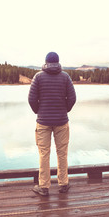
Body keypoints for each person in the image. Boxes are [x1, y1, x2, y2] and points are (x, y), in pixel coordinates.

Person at [28, 51, 76, 196]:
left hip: (43, 122)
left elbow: (31, 99)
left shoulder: (38, 77)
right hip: (62, 121)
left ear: (46, 62)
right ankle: (63, 184)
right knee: (62, 153)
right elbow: (72, 98)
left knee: (44, 154)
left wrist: (39, 111)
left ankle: (44, 187)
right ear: (58, 62)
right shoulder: (65, 77)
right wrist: (64, 110)